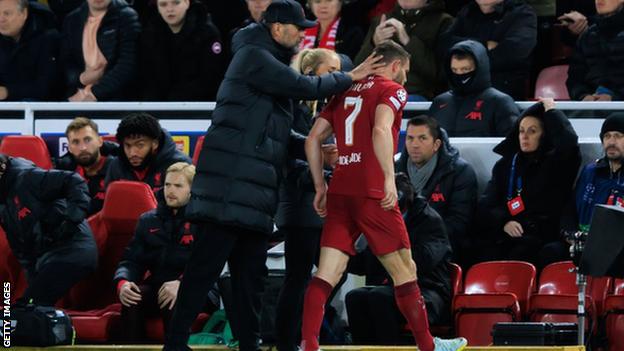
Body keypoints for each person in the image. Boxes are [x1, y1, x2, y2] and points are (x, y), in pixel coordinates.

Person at [162, 1, 383, 350]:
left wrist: (314, 147)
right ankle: (174, 345)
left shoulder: (268, 66)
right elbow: (306, 86)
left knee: (252, 280)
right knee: (204, 272)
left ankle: (249, 346)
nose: (303, 34)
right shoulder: (253, 56)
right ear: (277, 28)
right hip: (226, 193)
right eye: (298, 28)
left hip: (251, 198)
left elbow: (280, 135)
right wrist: (348, 77)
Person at [300, 40, 467, 351]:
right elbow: (380, 130)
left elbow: (312, 139)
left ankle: (309, 344)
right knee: (406, 270)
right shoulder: (392, 89)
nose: (405, 77)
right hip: (373, 190)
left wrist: (320, 186)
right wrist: (389, 178)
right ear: (394, 65)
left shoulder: (343, 90)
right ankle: (428, 345)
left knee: (327, 273)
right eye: (404, 69)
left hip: (340, 189)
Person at [274, 47, 342, 351]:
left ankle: (309, 333)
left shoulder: (327, 106)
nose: (338, 76)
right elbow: (287, 159)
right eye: (331, 70)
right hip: (300, 205)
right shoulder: (292, 105)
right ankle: (289, 342)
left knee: (329, 273)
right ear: (312, 73)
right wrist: (321, 171)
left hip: (319, 203)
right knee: (298, 278)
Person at [114, 162, 218, 342]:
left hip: (199, 289)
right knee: (133, 298)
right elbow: (131, 260)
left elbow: (208, 264)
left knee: (173, 299)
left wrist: (182, 284)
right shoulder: (148, 220)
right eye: (168, 185)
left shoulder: (205, 221)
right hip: (159, 286)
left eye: (178, 186)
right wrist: (123, 282)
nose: (170, 190)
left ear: (193, 190)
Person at [346, 173, 452, 345]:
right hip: (389, 286)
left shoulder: (429, 220)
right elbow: (366, 263)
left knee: (379, 297)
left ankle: (390, 348)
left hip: (429, 289)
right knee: (355, 297)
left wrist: (389, 246)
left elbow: (425, 260)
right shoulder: (379, 220)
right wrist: (339, 257)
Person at [476, 99, 581, 269]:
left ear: (544, 134)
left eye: (532, 131)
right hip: (509, 233)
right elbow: (487, 204)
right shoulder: (505, 165)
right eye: (521, 131)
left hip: (543, 235)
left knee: (531, 253)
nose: (524, 136)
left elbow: (568, 143)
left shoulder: (557, 163)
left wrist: (551, 112)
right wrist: (504, 221)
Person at [0, 153, 97, 306]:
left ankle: (63, 329)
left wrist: (71, 222)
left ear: (2, 168)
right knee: (27, 308)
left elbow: (75, 181)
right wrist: (33, 281)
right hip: (48, 258)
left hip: (73, 249)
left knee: (28, 309)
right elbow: (20, 248)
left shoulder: (27, 178)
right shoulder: (3, 202)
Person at [395, 115, 477, 265]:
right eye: (410, 138)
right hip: (399, 248)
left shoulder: (460, 172)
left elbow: (458, 224)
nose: (415, 145)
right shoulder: (394, 170)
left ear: (436, 144)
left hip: (440, 253)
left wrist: (414, 242)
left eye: (422, 138)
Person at [354, 0, 453, 101]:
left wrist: (407, 41)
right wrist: (374, 42)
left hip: (416, 94)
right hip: (376, 90)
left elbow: (439, 74)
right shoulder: (381, 21)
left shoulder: (443, 22)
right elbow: (357, 67)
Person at [441, 0, 537, 100]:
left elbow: (514, 51)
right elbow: (445, 44)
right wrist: (484, 44)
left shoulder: (521, 13)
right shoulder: (468, 10)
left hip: (503, 92)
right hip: (461, 91)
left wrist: (470, 58)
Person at [428, 40, 518, 137]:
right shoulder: (439, 102)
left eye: (465, 69)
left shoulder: (499, 102)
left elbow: (511, 143)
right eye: (454, 70)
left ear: (480, 68)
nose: (459, 74)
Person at [139, 0, 225, 101]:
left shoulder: (207, 33)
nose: (169, 9)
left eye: (176, 3)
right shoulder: (150, 33)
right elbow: (148, 77)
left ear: (187, 3)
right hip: (158, 106)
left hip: (199, 106)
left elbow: (210, 77)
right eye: (163, 4)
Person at [61, 0, 140, 101]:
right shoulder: (72, 19)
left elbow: (127, 65)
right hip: (78, 93)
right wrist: (81, 78)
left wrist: (94, 93)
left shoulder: (126, 16)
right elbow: (66, 62)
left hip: (116, 95)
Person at [566, 113, 624, 232]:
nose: (611, 142)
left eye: (618, 136)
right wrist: (570, 233)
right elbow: (570, 210)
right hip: (582, 241)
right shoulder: (590, 172)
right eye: (607, 136)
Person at [105, 112, 191, 192]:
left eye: (140, 145)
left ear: (155, 143)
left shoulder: (179, 164)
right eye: (128, 145)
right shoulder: (116, 166)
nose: (132, 153)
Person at [0, 0, 60, 101]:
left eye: (7, 13)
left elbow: (46, 87)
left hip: (39, 107)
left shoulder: (48, 38)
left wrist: (8, 91)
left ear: (24, 14)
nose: (1, 19)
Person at [57, 117, 117, 216]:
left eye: (87, 140)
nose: (83, 148)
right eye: (76, 142)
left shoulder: (118, 169)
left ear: (100, 141)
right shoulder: (64, 173)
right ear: (69, 148)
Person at [566, 0, 624, 101]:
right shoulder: (588, 36)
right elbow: (574, 80)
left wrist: (614, 98)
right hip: (591, 108)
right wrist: (583, 96)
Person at [299, 0, 364, 60]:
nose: (323, 6)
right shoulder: (301, 30)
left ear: (340, 2)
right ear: (310, 5)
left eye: (329, 0)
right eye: (318, 1)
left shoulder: (352, 33)